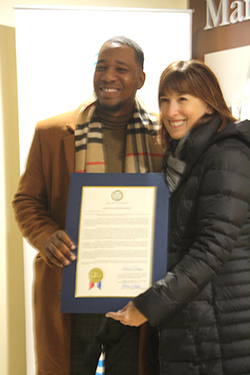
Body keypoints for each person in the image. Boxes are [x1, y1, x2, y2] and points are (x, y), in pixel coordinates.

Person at [12, 36, 164, 375]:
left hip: (137, 294)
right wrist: (47, 235)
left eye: (120, 69)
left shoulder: (162, 137)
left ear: (140, 79)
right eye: (101, 67)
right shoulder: (51, 133)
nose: (108, 76)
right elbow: (26, 200)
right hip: (72, 289)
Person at [106, 59, 250, 375]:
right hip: (193, 322)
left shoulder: (227, 155)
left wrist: (148, 305)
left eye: (183, 99)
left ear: (209, 103)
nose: (171, 111)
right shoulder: (182, 157)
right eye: (165, 100)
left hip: (219, 330)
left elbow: (210, 250)